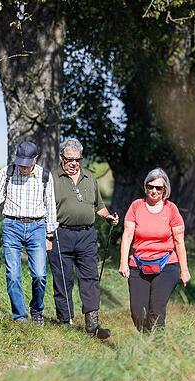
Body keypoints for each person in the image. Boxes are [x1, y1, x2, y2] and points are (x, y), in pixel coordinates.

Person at [0, 142, 58, 325]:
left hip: (37, 227)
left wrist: (49, 235)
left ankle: (37, 310)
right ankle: (20, 316)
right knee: (13, 275)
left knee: (39, 275)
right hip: (11, 226)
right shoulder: (7, 173)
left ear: (35, 160)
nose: (23, 167)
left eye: (27, 164)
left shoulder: (45, 176)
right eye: (20, 163)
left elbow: (50, 206)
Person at [48, 138, 119, 338]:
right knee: (63, 279)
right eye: (69, 159)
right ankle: (65, 322)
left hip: (87, 235)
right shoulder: (52, 178)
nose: (73, 163)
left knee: (90, 278)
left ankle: (92, 326)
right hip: (61, 234)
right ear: (61, 157)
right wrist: (47, 235)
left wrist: (108, 217)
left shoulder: (89, 177)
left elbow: (99, 207)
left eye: (77, 160)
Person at [118, 168, 190, 332]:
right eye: (151, 186)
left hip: (166, 266)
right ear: (145, 187)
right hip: (138, 265)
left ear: (165, 190)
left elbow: (179, 241)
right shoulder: (136, 206)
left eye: (159, 188)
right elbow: (128, 235)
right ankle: (149, 342)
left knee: (156, 312)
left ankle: (157, 347)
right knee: (138, 313)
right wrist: (123, 263)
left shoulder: (171, 210)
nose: (154, 191)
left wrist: (184, 270)